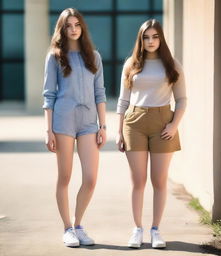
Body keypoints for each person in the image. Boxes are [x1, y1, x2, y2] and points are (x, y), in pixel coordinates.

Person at [116, 19, 187, 248]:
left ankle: (156, 230)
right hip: (134, 122)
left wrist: (174, 124)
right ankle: (137, 229)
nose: (150, 41)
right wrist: (119, 131)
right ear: (141, 39)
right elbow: (123, 100)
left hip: (163, 123)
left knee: (159, 180)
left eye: (155, 36)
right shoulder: (132, 64)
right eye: (146, 37)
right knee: (138, 181)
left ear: (161, 38)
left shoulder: (171, 64)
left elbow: (182, 99)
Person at [42, 8, 106, 247]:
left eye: (77, 24)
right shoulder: (55, 56)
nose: (73, 29)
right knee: (65, 176)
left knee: (90, 178)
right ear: (62, 29)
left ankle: (79, 225)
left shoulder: (94, 57)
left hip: (89, 122)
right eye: (68, 25)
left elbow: (100, 92)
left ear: (82, 27)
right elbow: (48, 95)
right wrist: (48, 130)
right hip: (63, 121)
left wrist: (103, 125)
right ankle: (67, 228)